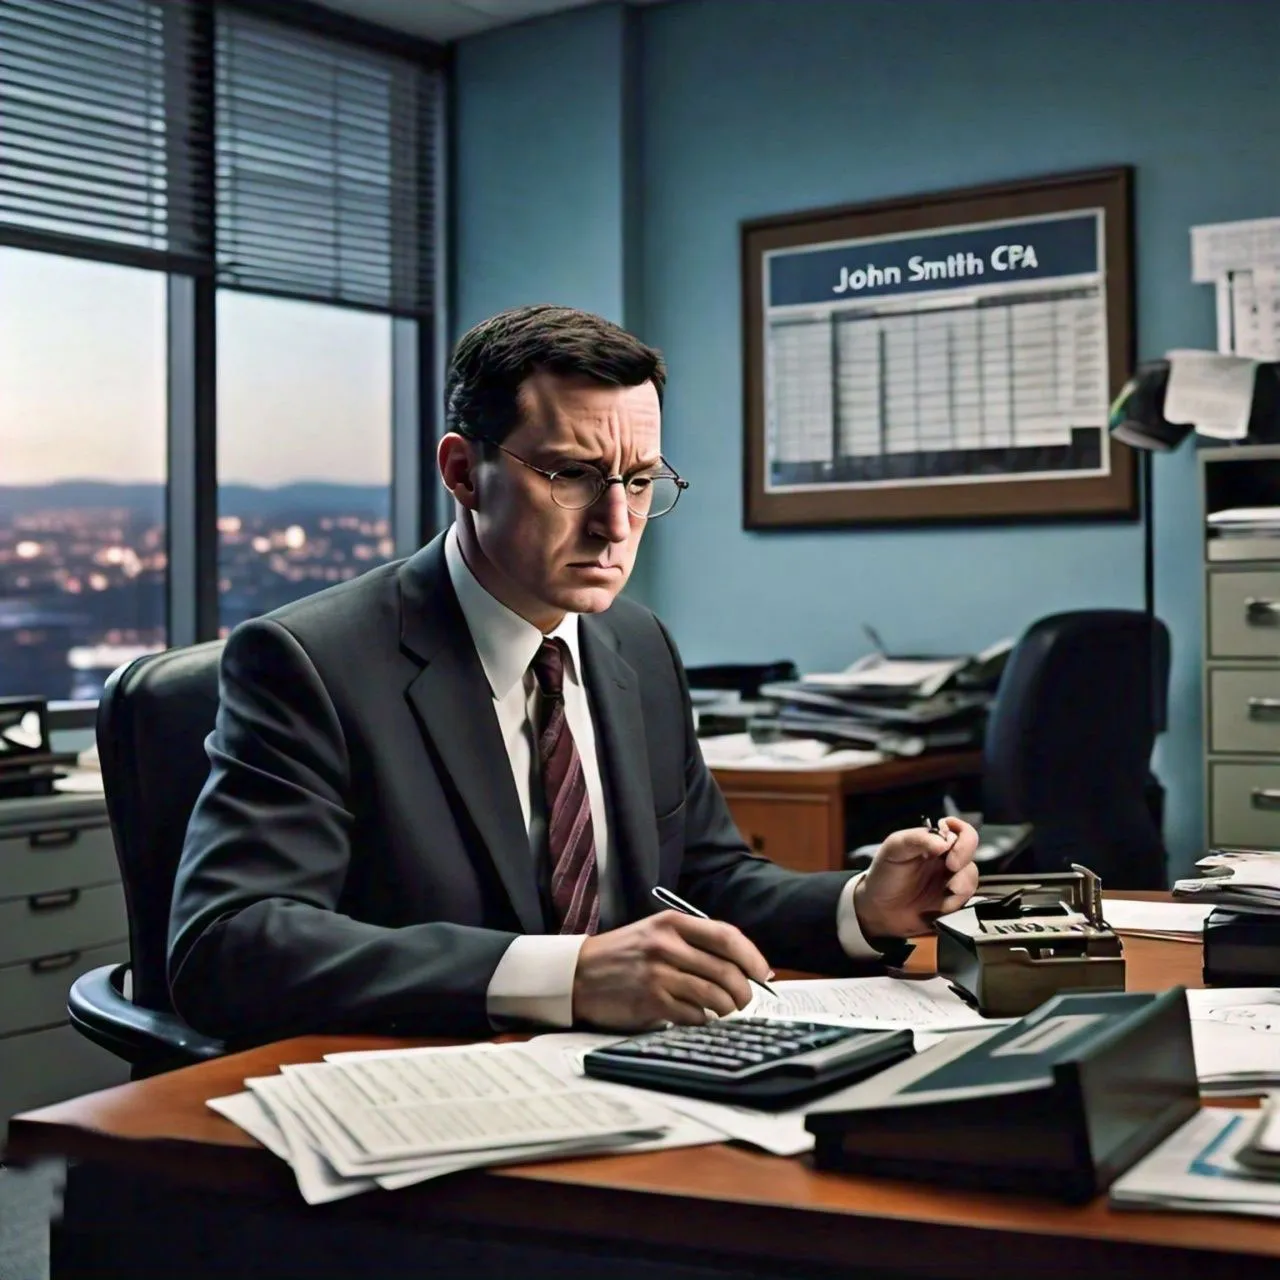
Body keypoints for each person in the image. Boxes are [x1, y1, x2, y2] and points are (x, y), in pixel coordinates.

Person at [167, 304, 978, 1045]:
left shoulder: (635, 644)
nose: (615, 524)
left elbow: (702, 881)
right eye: (573, 476)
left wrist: (862, 907)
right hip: (422, 1090)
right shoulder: (310, 661)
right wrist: (567, 975)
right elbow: (229, 942)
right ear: (461, 472)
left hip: (634, 1083)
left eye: (637, 480)